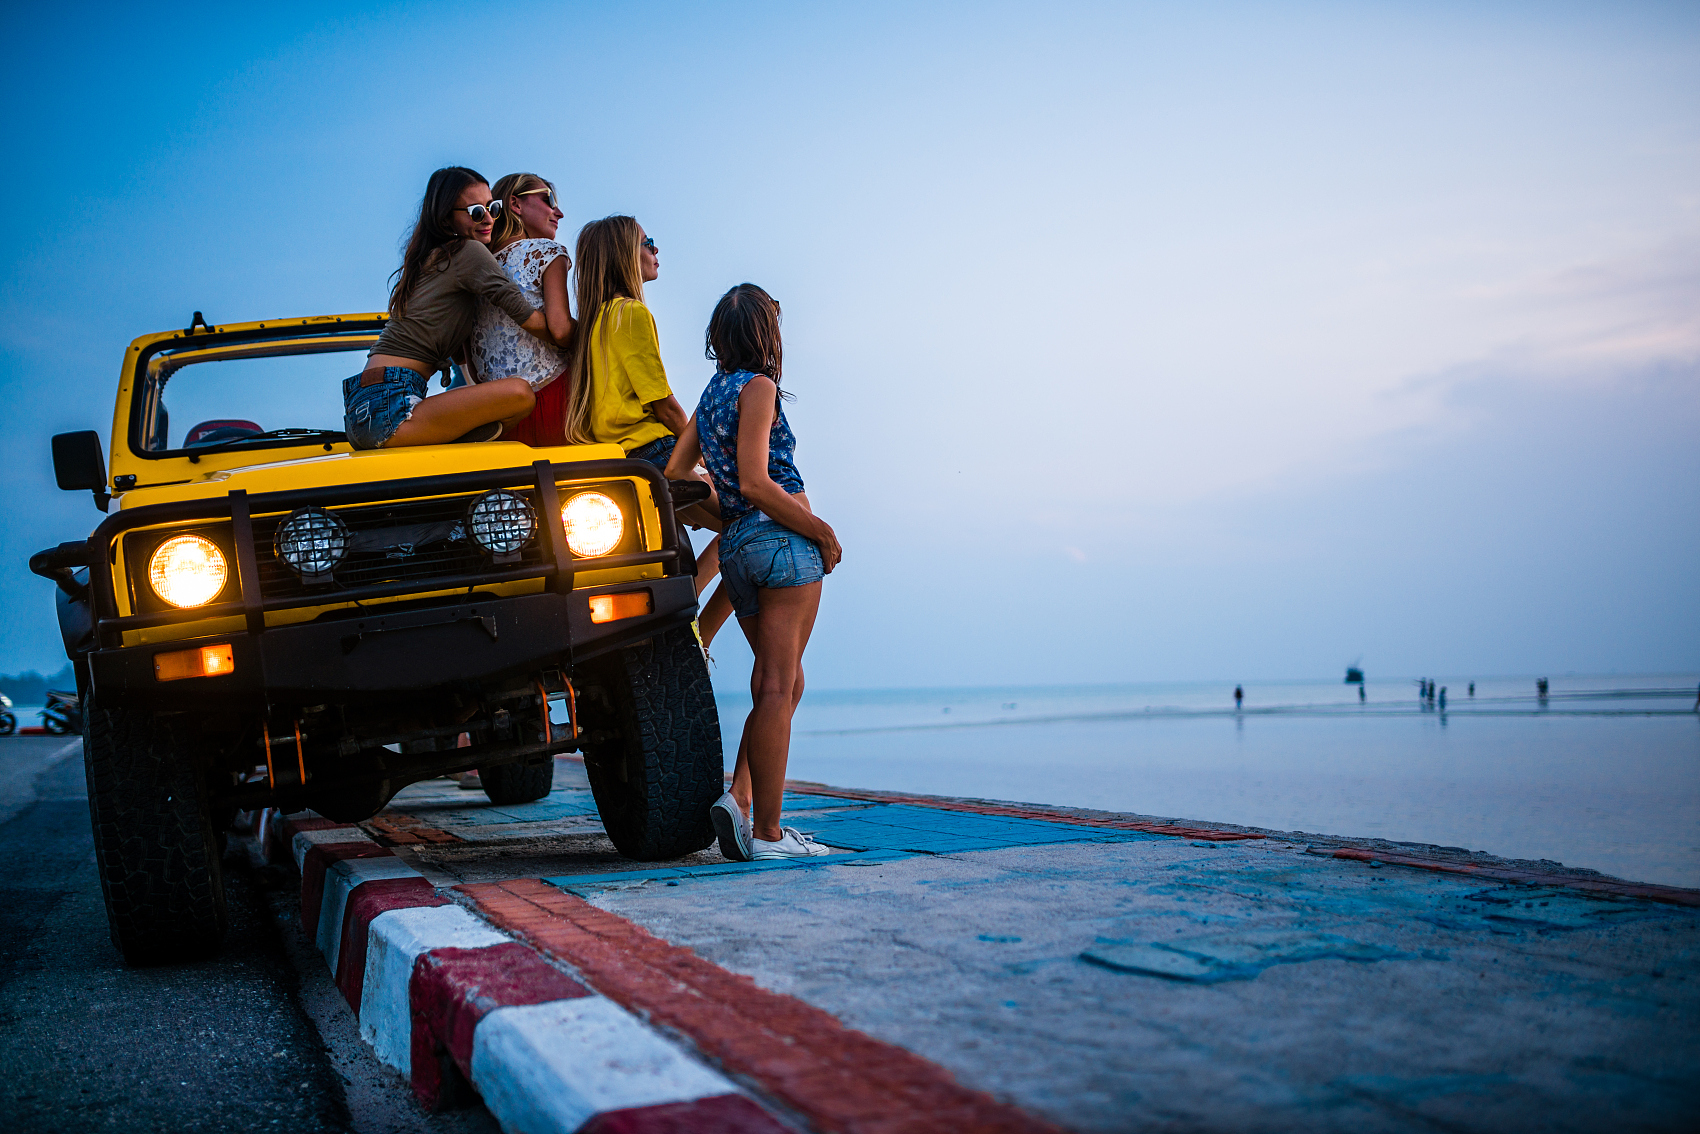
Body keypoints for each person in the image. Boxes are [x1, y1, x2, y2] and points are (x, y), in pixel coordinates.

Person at [664, 284, 842, 861]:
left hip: (739, 549)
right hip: (782, 546)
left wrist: (730, 509)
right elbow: (757, 481)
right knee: (776, 686)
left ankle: (739, 797)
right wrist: (820, 530)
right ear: (767, 334)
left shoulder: (712, 394)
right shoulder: (758, 387)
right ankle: (768, 832)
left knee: (783, 683)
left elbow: (676, 473)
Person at [571, 215, 730, 637]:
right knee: (758, 525)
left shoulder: (595, 321)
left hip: (625, 463)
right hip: (658, 455)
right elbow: (665, 406)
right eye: (647, 242)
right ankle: (701, 632)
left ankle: (692, 623)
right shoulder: (632, 313)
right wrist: (707, 456)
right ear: (625, 254)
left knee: (734, 531)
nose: (655, 250)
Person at [347, 167, 560, 449]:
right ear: (446, 219)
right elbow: (528, 319)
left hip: (365, 408)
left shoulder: (433, 259)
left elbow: (461, 357)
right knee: (520, 394)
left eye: (493, 208)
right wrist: (580, 338)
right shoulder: (466, 251)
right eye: (476, 212)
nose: (488, 219)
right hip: (392, 404)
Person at [470, 173, 576, 445]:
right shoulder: (547, 252)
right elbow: (561, 331)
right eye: (548, 199)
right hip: (555, 402)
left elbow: (472, 365)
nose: (559, 213)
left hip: (498, 417)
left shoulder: (474, 270)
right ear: (515, 204)